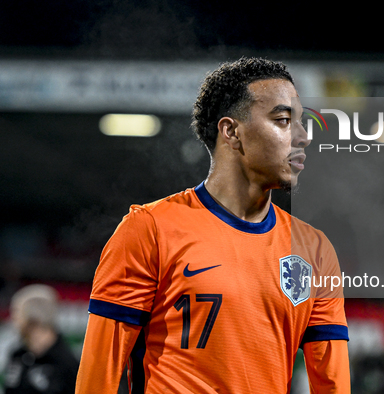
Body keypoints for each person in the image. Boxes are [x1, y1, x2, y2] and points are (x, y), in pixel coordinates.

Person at [75, 57, 350, 393]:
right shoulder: (149, 229)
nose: (303, 137)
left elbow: (333, 383)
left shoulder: (315, 250)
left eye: (301, 123)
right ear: (231, 132)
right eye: (282, 120)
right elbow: (98, 374)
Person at [4, 284, 79, 394]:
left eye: (17, 312)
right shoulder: (17, 356)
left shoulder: (67, 363)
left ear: (33, 318)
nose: (13, 320)